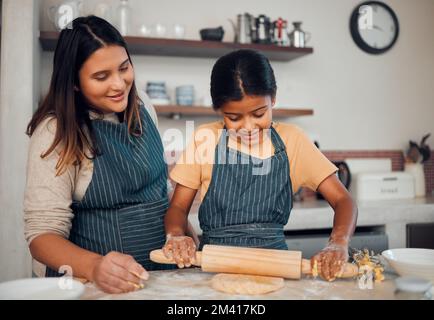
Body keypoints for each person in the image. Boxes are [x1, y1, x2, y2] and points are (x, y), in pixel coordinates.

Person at [23, 16, 194, 294]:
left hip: (160, 281)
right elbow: (42, 237)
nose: (119, 84)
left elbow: (159, 192)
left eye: (124, 68)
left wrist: (183, 231)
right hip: (93, 287)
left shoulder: (142, 107)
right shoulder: (56, 131)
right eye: (101, 77)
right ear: (74, 82)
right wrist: (94, 267)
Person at [162, 49, 358, 281]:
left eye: (259, 114)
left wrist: (338, 242)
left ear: (273, 98)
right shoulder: (205, 138)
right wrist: (175, 234)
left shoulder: (293, 140)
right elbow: (177, 209)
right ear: (219, 110)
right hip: (213, 270)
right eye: (234, 118)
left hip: (276, 270)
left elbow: (343, 200)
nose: (248, 127)